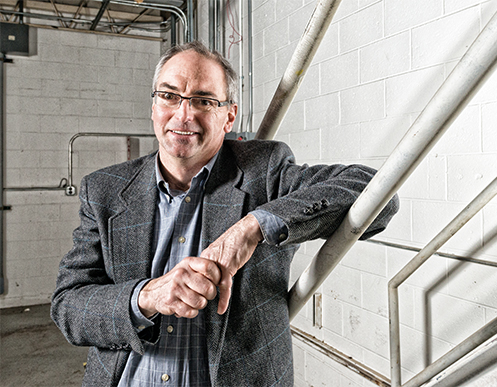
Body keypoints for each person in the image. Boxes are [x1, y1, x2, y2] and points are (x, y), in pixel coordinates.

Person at [51, 41, 399, 387]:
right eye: (169, 96)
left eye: (203, 101)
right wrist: (148, 296)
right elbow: (68, 306)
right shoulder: (104, 190)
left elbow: (379, 195)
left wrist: (253, 227)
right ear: (154, 105)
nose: (183, 115)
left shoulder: (264, 171)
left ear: (229, 116)